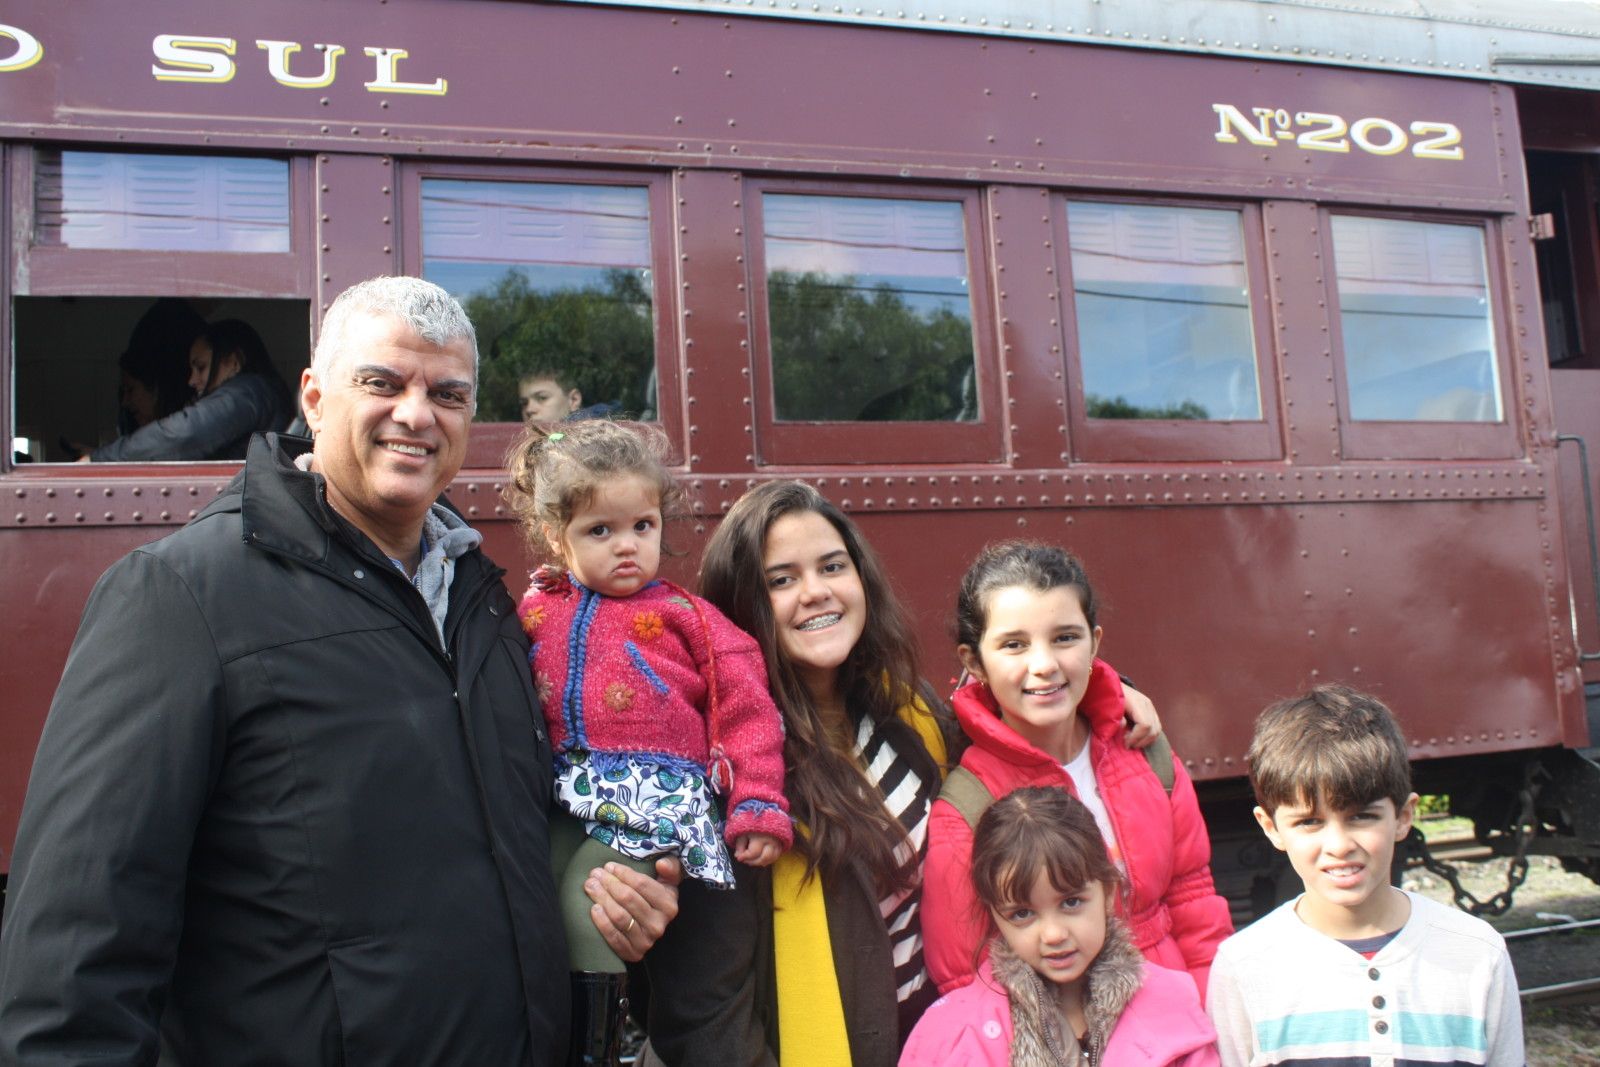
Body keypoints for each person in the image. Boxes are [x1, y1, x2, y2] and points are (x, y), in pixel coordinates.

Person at [0, 276, 679, 1066]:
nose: (416, 414)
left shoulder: (487, 604)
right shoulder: (180, 596)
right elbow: (75, 960)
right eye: (382, 382)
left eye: (448, 393)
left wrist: (613, 888)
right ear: (315, 400)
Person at [639, 482, 1164, 1065]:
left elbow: (1011, 723)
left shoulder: (902, 709)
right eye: (781, 580)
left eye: (832, 566)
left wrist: (1106, 694)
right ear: (741, 605)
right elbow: (705, 1014)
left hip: (944, 1045)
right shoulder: (729, 771)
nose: (816, 592)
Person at [505, 420, 792, 1064]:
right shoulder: (535, 611)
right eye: (599, 531)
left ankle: (596, 1051)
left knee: (589, 906)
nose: (627, 546)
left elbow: (746, 710)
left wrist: (757, 800)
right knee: (531, 894)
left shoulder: (686, 617)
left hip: (650, 799)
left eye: (643, 525)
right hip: (565, 794)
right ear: (555, 535)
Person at [922, 542, 1232, 998]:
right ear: (974, 662)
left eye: (1065, 638)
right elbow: (967, 978)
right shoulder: (968, 807)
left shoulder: (1145, 754)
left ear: (1095, 642)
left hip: (1173, 1017)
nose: (1045, 665)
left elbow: (1193, 903)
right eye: (1014, 645)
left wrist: (1208, 1013)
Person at [1207, 685, 1524, 1067]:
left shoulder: (1478, 954)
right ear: (1271, 827)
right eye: (1309, 822)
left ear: (1403, 817)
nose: (1339, 845)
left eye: (1361, 816)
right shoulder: (1244, 967)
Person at [901, 787, 1219, 1066]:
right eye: (1022, 914)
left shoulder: (1172, 1005)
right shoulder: (953, 1037)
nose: (1053, 934)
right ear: (994, 914)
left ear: (1109, 893)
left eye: (1071, 902)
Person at [87, 318, 294, 462]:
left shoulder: (248, 392)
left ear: (233, 362)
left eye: (201, 367)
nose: (192, 380)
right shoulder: (260, 392)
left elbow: (184, 435)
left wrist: (99, 458)